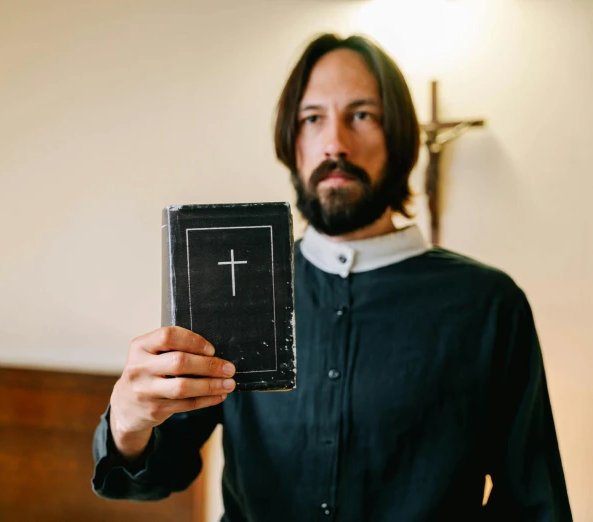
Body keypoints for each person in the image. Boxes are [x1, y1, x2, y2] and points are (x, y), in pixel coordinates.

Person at [91, 33, 572, 521]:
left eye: (361, 115)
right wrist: (129, 420)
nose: (335, 143)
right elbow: (151, 478)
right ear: (292, 141)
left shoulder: (489, 305)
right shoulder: (237, 289)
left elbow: (535, 504)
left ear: (400, 136)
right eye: (313, 118)